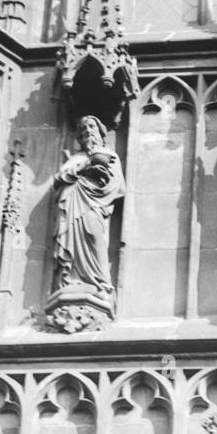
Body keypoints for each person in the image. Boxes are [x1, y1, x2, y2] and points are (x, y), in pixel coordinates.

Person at [52, 116, 125, 302]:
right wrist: (83, 169)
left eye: (92, 126)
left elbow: (118, 187)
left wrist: (101, 179)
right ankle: (70, 281)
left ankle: (102, 284)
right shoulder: (77, 158)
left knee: (94, 236)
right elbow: (59, 178)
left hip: (95, 204)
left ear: (100, 132)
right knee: (71, 242)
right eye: (83, 128)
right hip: (72, 203)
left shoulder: (110, 156)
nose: (88, 131)